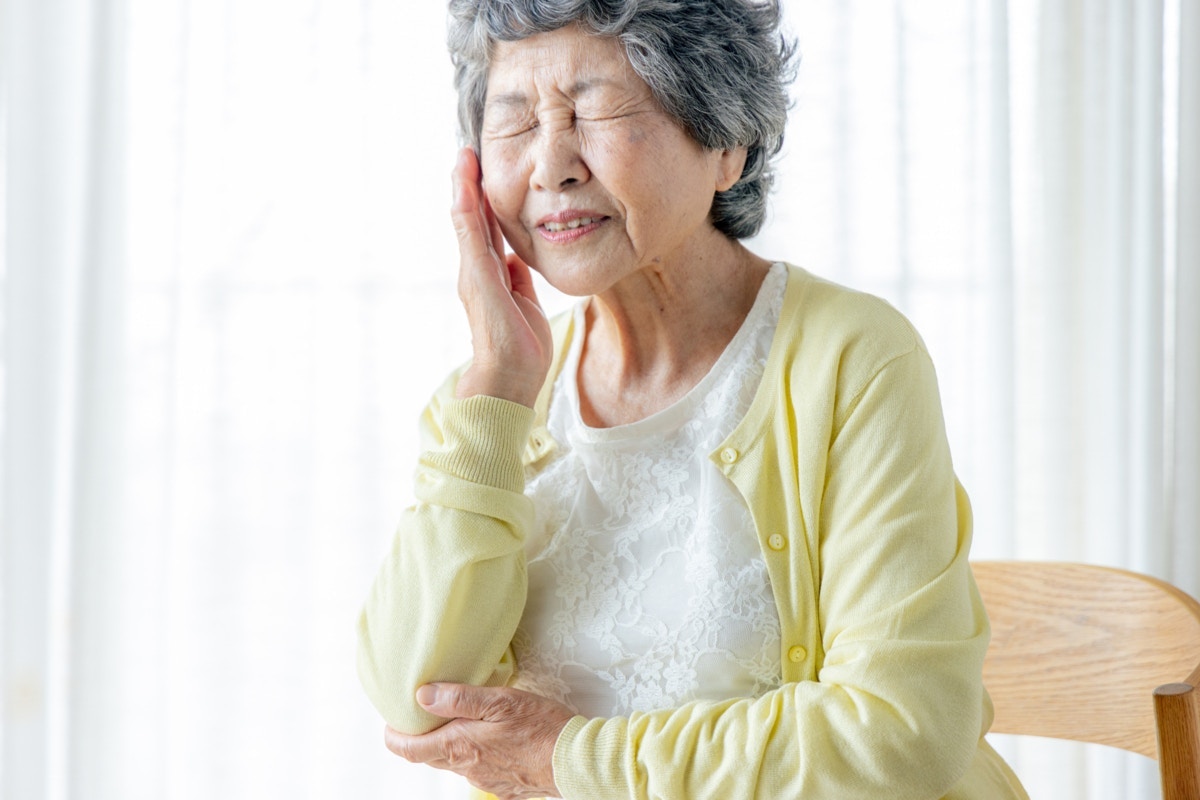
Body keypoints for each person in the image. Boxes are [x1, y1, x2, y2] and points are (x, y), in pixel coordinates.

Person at [357, 1, 1029, 798]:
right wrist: (498, 388)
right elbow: (415, 702)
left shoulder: (851, 358)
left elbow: (901, 731)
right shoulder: (492, 403)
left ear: (724, 143)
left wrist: (576, 761)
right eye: (513, 123)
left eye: (596, 108)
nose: (551, 165)